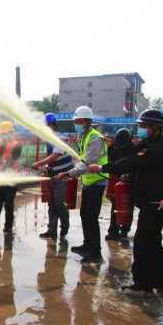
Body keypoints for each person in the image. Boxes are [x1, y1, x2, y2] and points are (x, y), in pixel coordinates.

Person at [89, 109, 163, 294]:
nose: (141, 129)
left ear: (155, 128)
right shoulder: (149, 144)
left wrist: (103, 167)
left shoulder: (157, 148)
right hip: (151, 201)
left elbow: (133, 162)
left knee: (143, 241)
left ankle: (142, 284)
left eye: (143, 126)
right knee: (152, 241)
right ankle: (159, 282)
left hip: (156, 202)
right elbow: (133, 157)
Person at [54, 106, 109, 264]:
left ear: (88, 122)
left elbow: (86, 164)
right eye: (75, 122)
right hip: (88, 182)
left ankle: (96, 253)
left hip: (97, 181)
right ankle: (87, 245)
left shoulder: (95, 138)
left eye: (79, 122)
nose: (76, 125)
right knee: (84, 214)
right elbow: (81, 160)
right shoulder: (85, 137)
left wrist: (67, 173)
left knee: (91, 217)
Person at [30, 113, 74, 238]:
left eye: (47, 125)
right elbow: (50, 158)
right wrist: (47, 166)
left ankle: (65, 226)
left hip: (64, 177)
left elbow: (54, 156)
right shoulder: (49, 141)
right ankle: (52, 231)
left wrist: (39, 163)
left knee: (59, 203)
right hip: (53, 176)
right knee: (51, 204)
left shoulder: (60, 139)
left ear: (54, 125)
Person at [105, 128, 135, 240]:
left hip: (129, 181)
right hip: (116, 179)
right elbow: (110, 161)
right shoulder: (113, 147)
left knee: (128, 205)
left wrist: (130, 173)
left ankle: (125, 229)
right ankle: (113, 230)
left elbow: (134, 163)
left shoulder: (133, 149)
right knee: (115, 205)